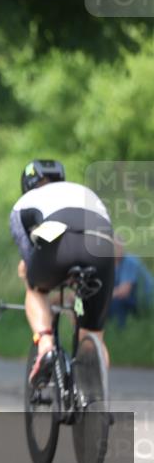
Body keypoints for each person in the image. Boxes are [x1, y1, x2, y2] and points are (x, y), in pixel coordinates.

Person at [9, 160, 115, 385]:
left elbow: (30, 257)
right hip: (103, 242)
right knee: (93, 334)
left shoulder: (23, 203)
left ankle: (46, 344)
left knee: (34, 288)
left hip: (59, 235)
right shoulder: (82, 191)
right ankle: (99, 399)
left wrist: (29, 272)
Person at [110, 239, 154, 328]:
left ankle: (120, 330)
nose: (116, 249)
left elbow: (123, 291)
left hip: (145, 301)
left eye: (118, 246)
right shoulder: (112, 264)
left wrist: (102, 297)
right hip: (132, 299)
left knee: (115, 301)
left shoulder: (130, 261)